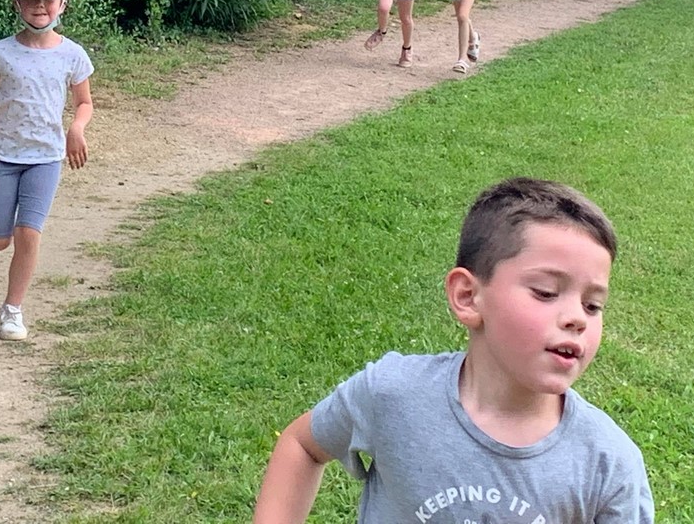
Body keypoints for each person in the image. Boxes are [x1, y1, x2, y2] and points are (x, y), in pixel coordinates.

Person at [251, 176, 654, 524]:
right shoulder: (392, 395)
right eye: (546, 292)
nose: (577, 318)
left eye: (593, 305)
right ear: (467, 296)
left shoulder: (608, 464)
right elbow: (302, 446)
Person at [0, 0, 94, 341]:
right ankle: (4, 230)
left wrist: (76, 128)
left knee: (28, 233)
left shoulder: (72, 55)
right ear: (17, 4)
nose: (40, 6)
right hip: (4, 156)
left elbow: (84, 102)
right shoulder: (2, 52)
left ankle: (13, 310)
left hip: (46, 158)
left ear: (62, 5)